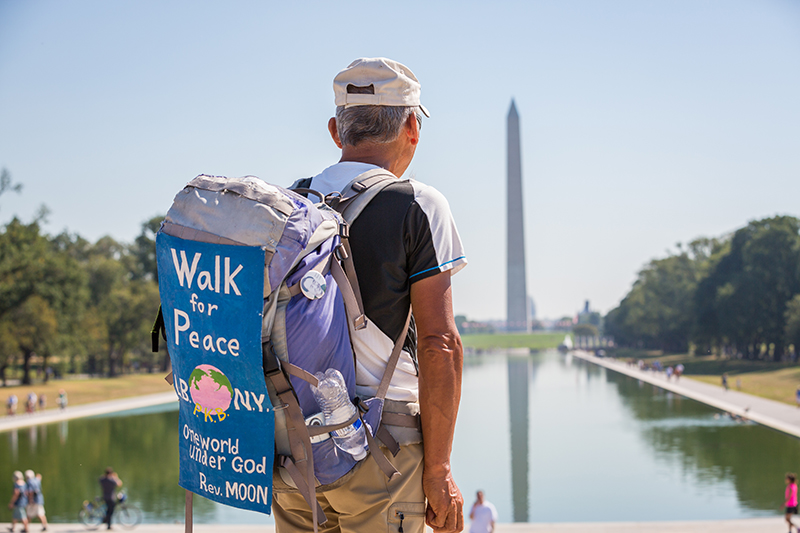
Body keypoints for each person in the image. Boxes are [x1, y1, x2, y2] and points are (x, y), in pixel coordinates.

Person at [272, 57, 467, 533]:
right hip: (382, 452)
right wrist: (439, 469)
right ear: (412, 128)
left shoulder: (289, 204)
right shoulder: (417, 204)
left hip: (292, 450)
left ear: (336, 130)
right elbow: (439, 344)